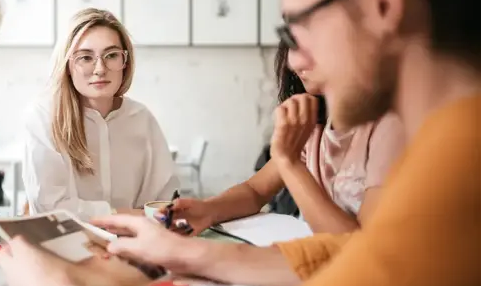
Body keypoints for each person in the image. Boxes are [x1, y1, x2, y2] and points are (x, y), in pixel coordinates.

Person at [0, 0, 481, 286]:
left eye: (298, 25)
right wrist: (187, 256)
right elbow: (358, 255)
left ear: (381, 2)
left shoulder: (458, 176)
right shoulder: (444, 146)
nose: (295, 57)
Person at [161, 41, 405, 234]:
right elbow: (255, 191)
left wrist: (289, 162)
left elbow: (360, 251)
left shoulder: (389, 127)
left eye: (309, 41)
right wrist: (207, 210)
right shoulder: (315, 123)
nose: (292, 61)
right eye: (290, 40)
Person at [21, 8, 179, 219]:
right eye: (85, 57)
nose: (100, 69)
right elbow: (51, 210)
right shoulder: (42, 116)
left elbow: (163, 202)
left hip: (137, 243)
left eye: (111, 55)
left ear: (126, 62)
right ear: (67, 65)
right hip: (66, 244)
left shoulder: (141, 118)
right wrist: (130, 216)